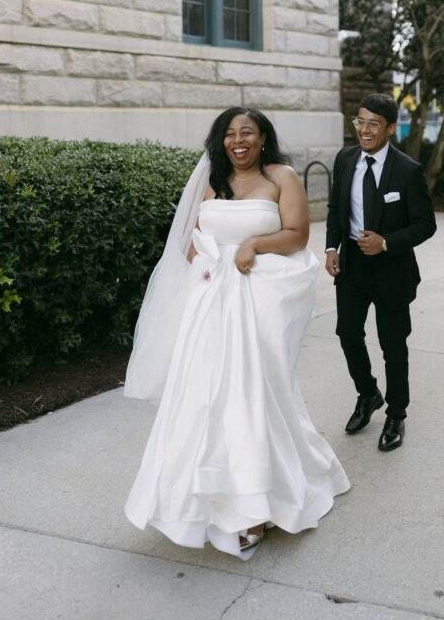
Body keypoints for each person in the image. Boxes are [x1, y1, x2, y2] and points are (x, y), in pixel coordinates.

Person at [124, 107, 349, 559]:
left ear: (263, 137)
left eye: (247, 132)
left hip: (262, 302)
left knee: (255, 395)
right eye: (229, 134)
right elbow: (190, 240)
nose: (238, 140)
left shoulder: (282, 177)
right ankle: (201, 503)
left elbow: (298, 235)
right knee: (204, 398)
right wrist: (207, 265)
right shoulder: (212, 180)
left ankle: (257, 505)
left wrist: (253, 244)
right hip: (212, 306)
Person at [325, 93, 436, 452]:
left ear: (390, 128)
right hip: (352, 267)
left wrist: (386, 242)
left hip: (391, 270)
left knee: (393, 346)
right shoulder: (345, 160)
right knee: (347, 335)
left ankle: (396, 415)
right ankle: (368, 394)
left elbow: (425, 225)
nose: (365, 130)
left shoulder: (408, 170)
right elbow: (335, 209)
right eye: (360, 121)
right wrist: (331, 248)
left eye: (374, 123)